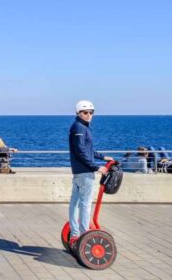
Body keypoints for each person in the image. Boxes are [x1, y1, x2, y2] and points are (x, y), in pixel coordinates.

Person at [67, 100, 113, 248]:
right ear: (78, 113)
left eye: (91, 112)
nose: (88, 115)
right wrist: (96, 167)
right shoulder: (80, 127)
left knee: (75, 204)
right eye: (85, 112)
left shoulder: (79, 127)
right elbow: (80, 151)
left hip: (79, 171)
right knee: (85, 205)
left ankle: (75, 234)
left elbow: (87, 150)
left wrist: (103, 157)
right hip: (85, 172)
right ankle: (83, 234)